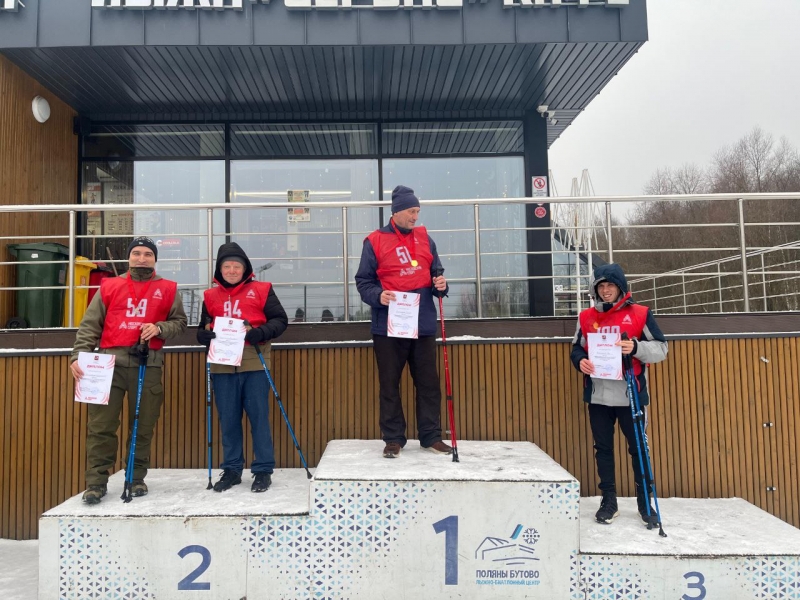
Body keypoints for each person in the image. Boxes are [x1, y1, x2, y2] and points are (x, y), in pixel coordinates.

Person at [71, 237, 187, 504]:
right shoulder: (110, 285)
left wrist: (160, 327)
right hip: (107, 365)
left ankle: (135, 478)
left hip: (148, 363)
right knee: (100, 426)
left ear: (155, 259)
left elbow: (180, 323)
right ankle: (96, 483)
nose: (142, 258)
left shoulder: (168, 288)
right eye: (137, 253)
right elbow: (90, 324)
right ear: (129, 257)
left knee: (142, 426)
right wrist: (78, 354)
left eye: (148, 254)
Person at [355, 185, 451, 459]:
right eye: (411, 211)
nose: (415, 217)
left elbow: (437, 276)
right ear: (396, 212)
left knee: (428, 384)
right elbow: (363, 281)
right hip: (388, 325)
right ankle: (393, 438)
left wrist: (442, 286)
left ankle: (431, 436)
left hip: (422, 323)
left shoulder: (426, 239)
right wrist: (378, 296)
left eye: (417, 211)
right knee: (389, 385)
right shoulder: (374, 241)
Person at [570, 263, 668, 525]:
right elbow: (577, 348)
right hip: (598, 395)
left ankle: (644, 501)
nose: (605, 290)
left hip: (630, 395)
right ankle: (609, 501)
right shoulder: (585, 316)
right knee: (603, 449)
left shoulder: (640, 313)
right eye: (601, 286)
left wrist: (635, 348)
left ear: (620, 287)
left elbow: (661, 349)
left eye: (610, 285)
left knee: (639, 449)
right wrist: (580, 361)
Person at [197, 243, 288, 493]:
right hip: (222, 364)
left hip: (254, 361)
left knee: (259, 418)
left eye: (236, 266)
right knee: (228, 420)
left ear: (245, 268)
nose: (231, 270)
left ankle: (263, 470)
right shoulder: (210, 295)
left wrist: (260, 332)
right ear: (219, 270)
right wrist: (202, 336)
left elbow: (280, 320)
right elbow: (204, 326)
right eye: (226, 266)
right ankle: (232, 469)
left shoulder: (262, 289)